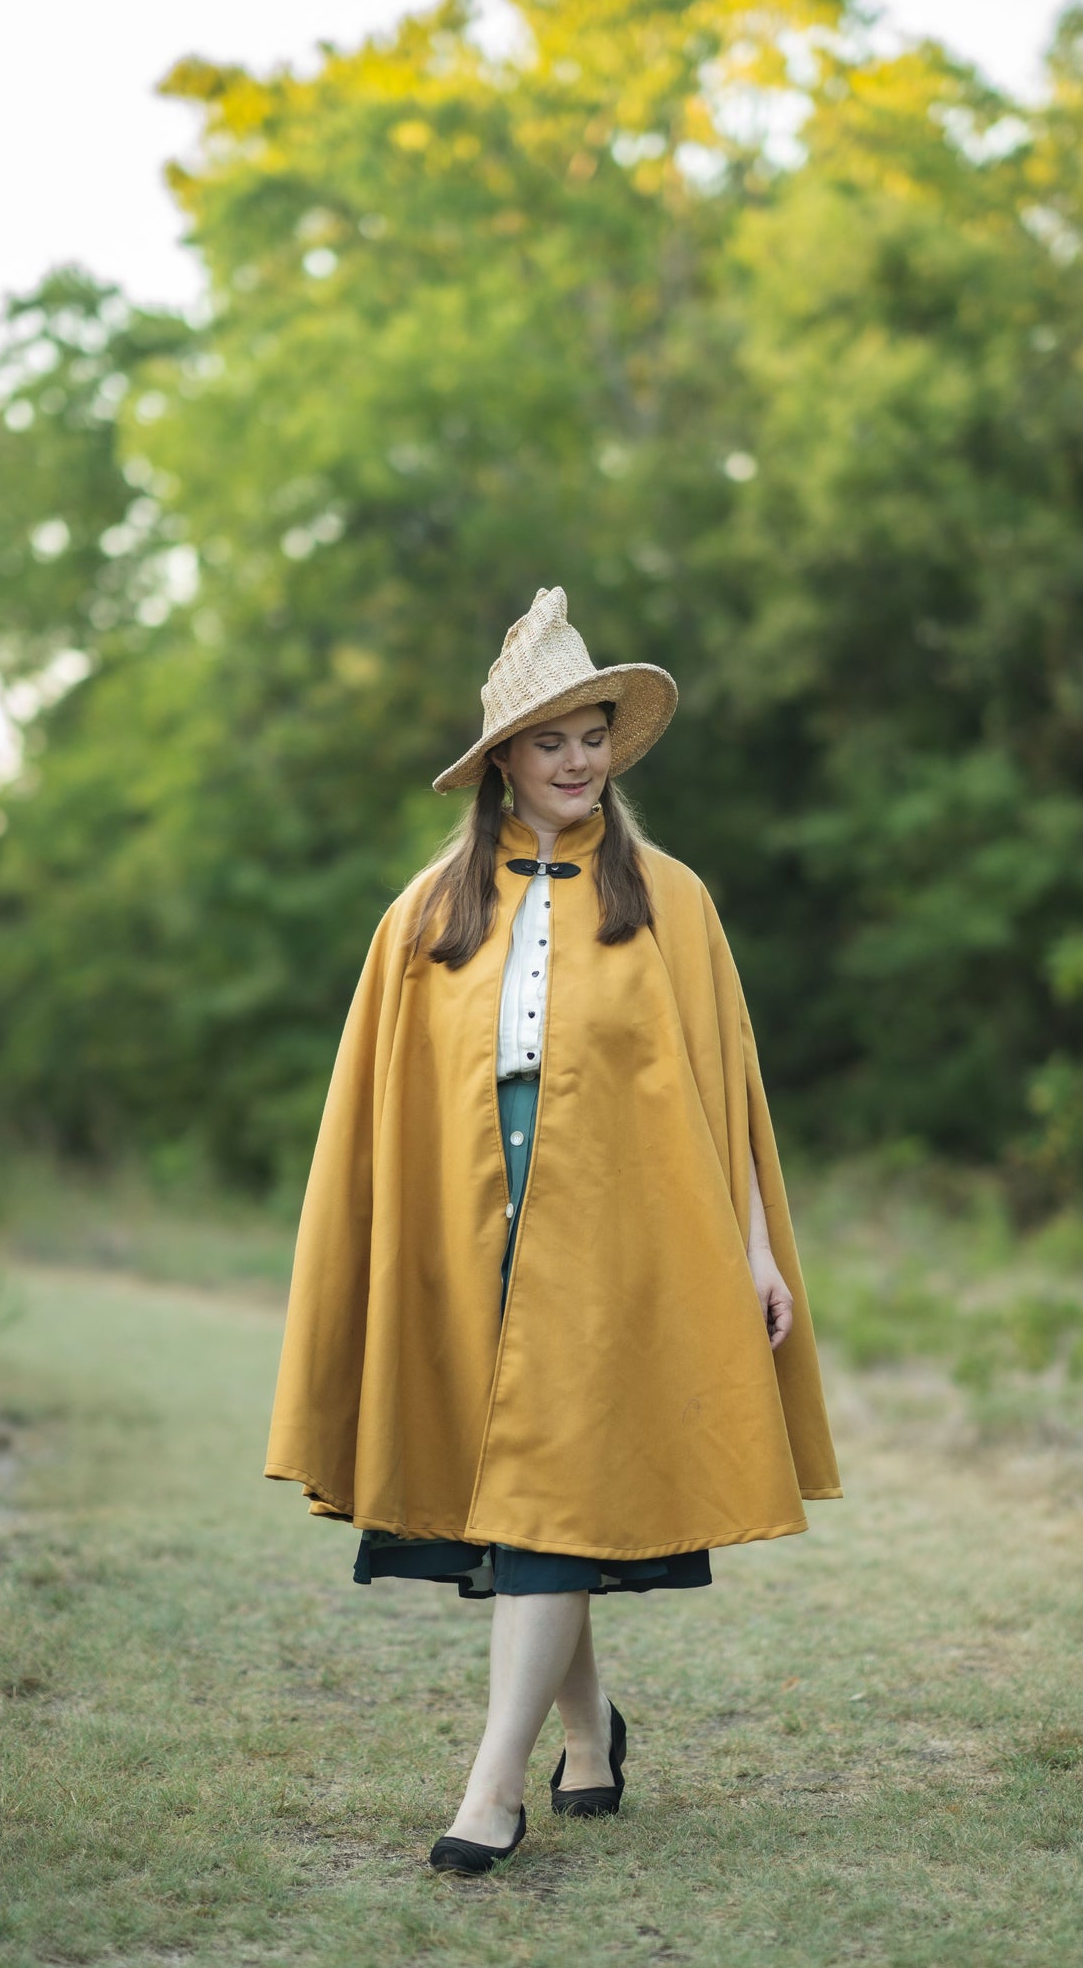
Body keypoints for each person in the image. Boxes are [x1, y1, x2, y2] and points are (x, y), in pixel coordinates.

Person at [264, 584, 842, 1874]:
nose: (576, 760)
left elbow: (725, 1087)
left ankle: (492, 1788)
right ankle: (590, 1736)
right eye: (550, 741)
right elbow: (379, 1106)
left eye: (592, 736)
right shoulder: (424, 915)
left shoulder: (670, 900)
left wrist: (752, 1245)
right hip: (472, 1231)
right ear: (503, 765)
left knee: (549, 1483)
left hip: (619, 1234)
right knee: (534, 1486)